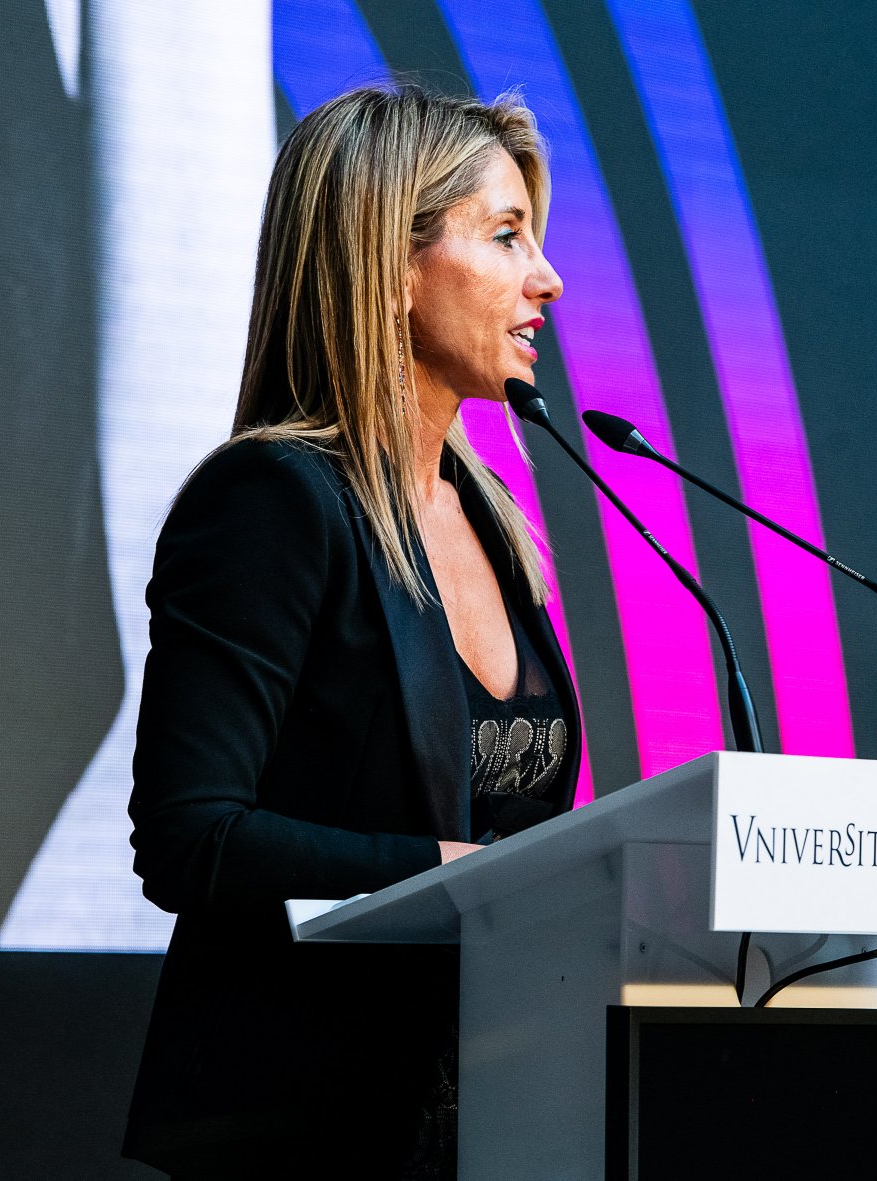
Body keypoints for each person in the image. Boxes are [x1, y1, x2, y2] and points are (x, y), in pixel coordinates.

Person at [121, 85, 577, 1179]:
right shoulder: (270, 502)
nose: (547, 278)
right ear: (391, 266)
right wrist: (454, 872)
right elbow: (190, 836)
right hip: (302, 1133)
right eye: (505, 235)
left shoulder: (488, 516)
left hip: (493, 1115)